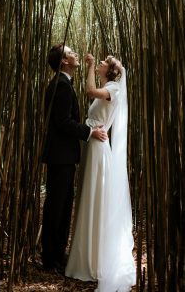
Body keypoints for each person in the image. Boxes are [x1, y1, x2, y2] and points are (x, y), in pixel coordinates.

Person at [65, 53, 136, 291]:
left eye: (105, 63)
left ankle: (94, 260)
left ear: (112, 71)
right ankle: (87, 254)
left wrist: (91, 66)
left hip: (98, 145)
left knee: (93, 197)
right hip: (93, 144)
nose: (101, 64)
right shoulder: (108, 86)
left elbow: (89, 92)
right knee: (88, 195)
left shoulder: (113, 89)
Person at [41, 44, 108, 273]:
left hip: (63, 155)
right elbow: (63, 122)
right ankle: (51, 259)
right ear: (63, 62)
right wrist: (90, 132)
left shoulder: (63, 84)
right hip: (61, 156)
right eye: (71, 53)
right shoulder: (61, 86)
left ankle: (57, 254)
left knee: (62, 204)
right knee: (56, 206)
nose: (75, 55)